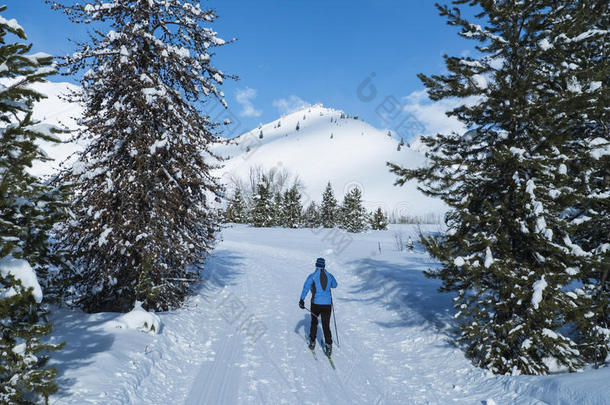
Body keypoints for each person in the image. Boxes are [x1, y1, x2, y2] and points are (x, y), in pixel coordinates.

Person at [299, 257, 338, 356]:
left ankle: (312, 342)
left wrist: (302, 300)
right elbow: (335, 285)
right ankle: (329, 346)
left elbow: (306, 287)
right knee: (326, 325)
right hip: (327, 305)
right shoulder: (329, 275)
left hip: (316, 304)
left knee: (314, 323)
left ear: (316, 265)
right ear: (324, 266)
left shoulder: (312, 276)